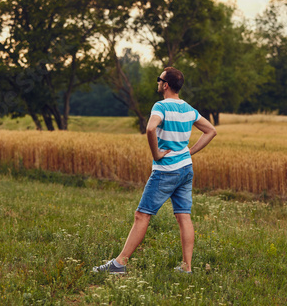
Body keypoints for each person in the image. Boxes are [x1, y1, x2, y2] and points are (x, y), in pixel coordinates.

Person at [92, 67, 217, 274]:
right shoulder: (188, 109)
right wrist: (189, 152)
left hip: (166, 170)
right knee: (184, 216)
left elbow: (150, 128)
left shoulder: (161, 106)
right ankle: (187, 267)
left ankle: (119, 264)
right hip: (186, 169)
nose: (158, 82)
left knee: (142, 215)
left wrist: (157, 154)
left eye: (159, 80)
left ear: (165, 85)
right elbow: (211, 131)